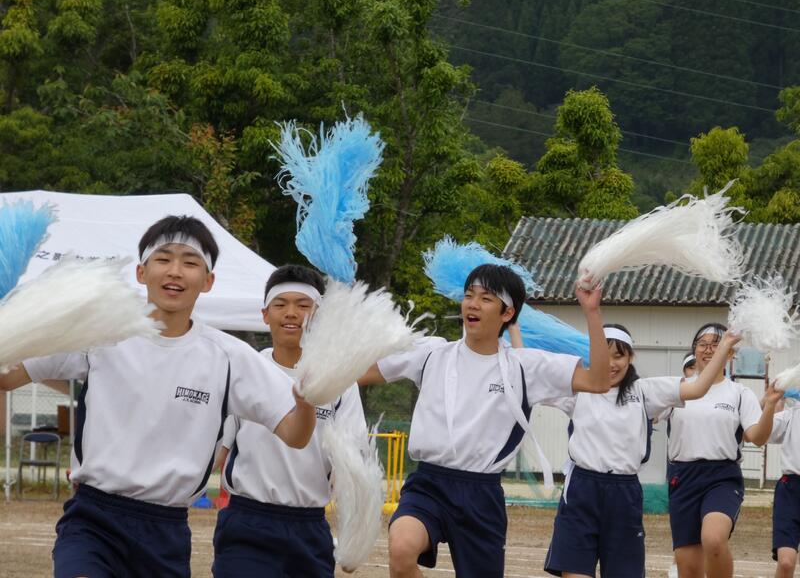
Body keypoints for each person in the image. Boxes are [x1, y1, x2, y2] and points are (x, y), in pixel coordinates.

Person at [0, 215, 316, 578]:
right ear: (141, 272)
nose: (175, 271)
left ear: (208, 281)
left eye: (190, 262)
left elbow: (295, 434)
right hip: (93, 519)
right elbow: (8, 377)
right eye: (163, 259)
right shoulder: (99, 333)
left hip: (166, 532)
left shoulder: (230, 357)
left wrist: (306, 401)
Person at [359, 263, 611, 578]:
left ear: (508, 313)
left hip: (482, 495)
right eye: (469, 295)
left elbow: (598, 380)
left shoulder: (525, 367)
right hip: (429, 484)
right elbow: (359, 373)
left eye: (486, 298)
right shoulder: (431, 353)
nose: (473, 304)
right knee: (401, 548)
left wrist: (592, 312)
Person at [541, 323, 740, 577]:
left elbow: (698, 387)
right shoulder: (579, 388)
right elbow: (531, 376)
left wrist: (725, 345)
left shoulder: (644, 391)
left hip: (623, 493)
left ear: (630, 358)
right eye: (604, 355)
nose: (611, 363)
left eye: (619, 355)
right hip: (582, 490)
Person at [212, 264, 367, 577]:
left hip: (308, 526)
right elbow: (218, 451)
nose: (291, 313)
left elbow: (352, 467)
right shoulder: (245, 369)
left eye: (303, 305)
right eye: (280, 304)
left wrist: (354, 537)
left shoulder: (338, 381)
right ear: (265, 314)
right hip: (247, 521)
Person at [664, 322, 783, 578]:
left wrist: (770, 406)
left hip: (722, 476)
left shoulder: (739, 393)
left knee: (714, 539)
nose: (708, 350)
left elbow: (757, 437)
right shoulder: (677, 388)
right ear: (694, 350)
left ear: (730, 353)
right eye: (702, 344)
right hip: (682, 476)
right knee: (688, 569)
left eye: (716, 344)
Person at [767, 396, 800, 577]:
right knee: (786, 562)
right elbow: (767, 433)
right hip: (791, 489)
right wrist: (775, 401)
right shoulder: (792, 413)